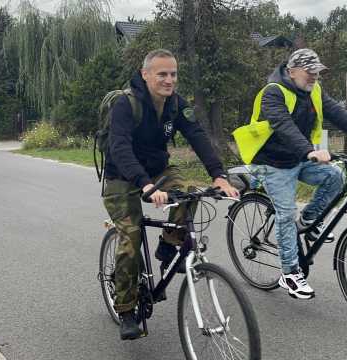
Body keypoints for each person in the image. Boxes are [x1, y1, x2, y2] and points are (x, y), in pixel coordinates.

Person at [102, 49, 239, 340]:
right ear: (145, 74)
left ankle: (168, 245)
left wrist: (219, 175)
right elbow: (120, 148)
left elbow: (197, 136)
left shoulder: (175, 104)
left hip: (157, 169)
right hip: (121, 176)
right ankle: (126, 308)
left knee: (191, 192)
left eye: (173, 74)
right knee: (130, 237)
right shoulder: (125, 104)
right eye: (162, 74)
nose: (169, 80)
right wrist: (146, 185)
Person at [247, 48, 347, 300]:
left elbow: (338, 114)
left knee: (335, 176)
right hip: (272, 162)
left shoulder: (314, 91)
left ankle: (309, 222)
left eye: (317, 71)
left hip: (299, 157)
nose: (314, 76)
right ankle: (289, 272)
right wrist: (309, 151)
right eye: (309, 71)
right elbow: (283, 125)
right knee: (285, 213)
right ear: (291, 72)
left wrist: (308, 153)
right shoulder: (273, 92)